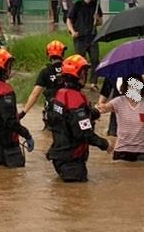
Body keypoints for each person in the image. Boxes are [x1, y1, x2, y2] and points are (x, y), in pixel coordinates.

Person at [46, 54, 111, 182]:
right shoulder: (119, 77)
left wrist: (97, 110)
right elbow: (116, 95)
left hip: (125, 138)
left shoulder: (61, 94)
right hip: (120, 143)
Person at [97, 74, 144, 162]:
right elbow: (104, 108)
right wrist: (100, 106)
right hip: (121, 149)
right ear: (126, 87)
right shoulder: (119, 101)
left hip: (142, 150)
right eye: (131, 85)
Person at [20, 40, 67, 129]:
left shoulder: (45, 72)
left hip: (51, 111)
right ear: (63, 53)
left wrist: (23, 112)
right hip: (67, 110)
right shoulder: (69, 69)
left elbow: (35, 94)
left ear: (48, 55)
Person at [66, 0, 103, 88]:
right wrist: (72, 31)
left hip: (92, 37)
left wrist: (97, 18)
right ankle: (80, 82)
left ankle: (93, 83)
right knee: (80, 61)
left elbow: (100, 22)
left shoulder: (96, 4)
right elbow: (68, 20)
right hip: (80, 38)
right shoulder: (77, 5)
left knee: (95, 60)